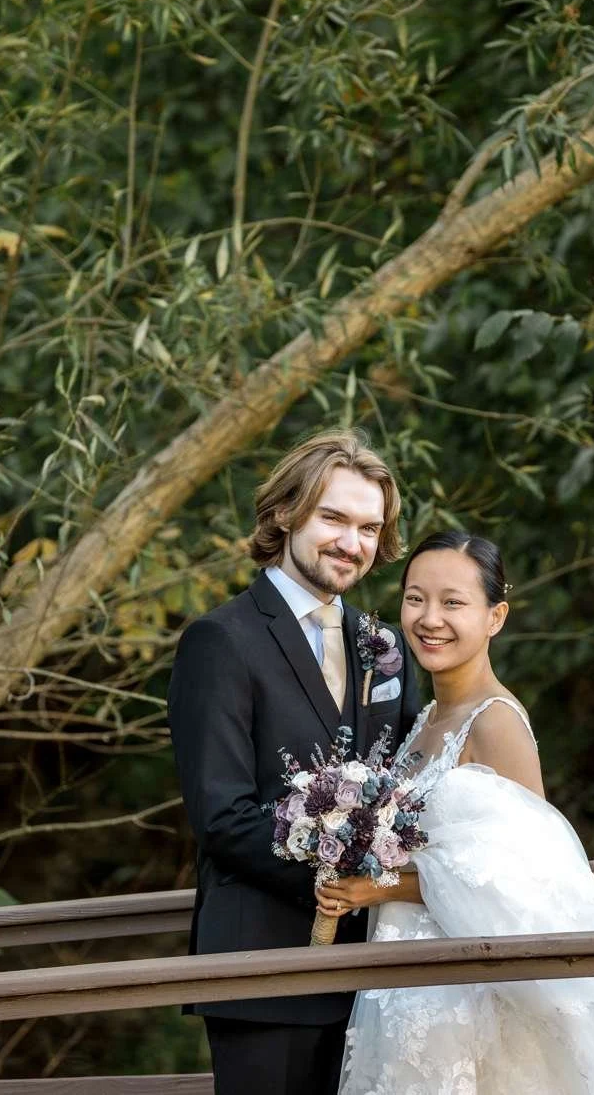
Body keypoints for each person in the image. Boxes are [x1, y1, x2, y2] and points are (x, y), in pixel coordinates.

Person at [314, 531, 594, 1093]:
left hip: (461, 992)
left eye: (454, 603)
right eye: (416, 598)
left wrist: (384, 888)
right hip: (404, 981)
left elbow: (526, 879)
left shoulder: (495, 723)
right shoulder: (425, 719)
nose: (430, 619)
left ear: (495, 616)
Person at [168, 431, 422, 1094]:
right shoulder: (221, 641)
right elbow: (221, 814)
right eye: (333, 518)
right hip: (261, 969)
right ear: (284, 513)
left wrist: (381, 885)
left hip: (376, 976)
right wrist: (332, 878)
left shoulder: (384, 646)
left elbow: (408, 786)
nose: (352, 542)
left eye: (369, 527)